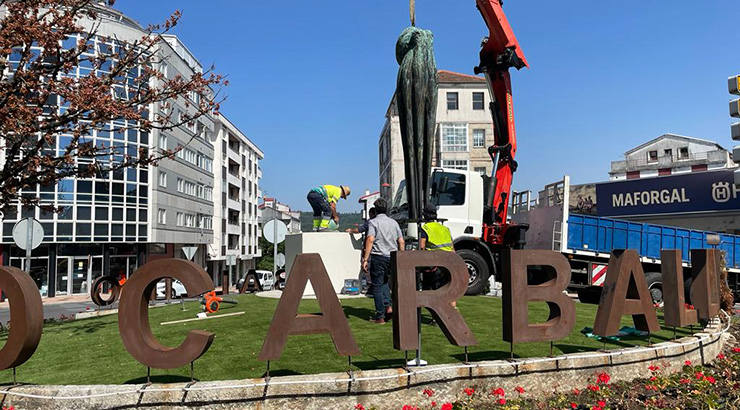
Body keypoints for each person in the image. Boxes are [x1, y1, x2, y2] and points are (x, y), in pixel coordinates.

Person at [363, 198, 404, 324]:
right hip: (392, 256)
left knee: (377, 286)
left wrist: (365, 259)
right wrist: (401, 257)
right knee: (385, 282)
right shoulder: (394, 223)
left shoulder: (373, 222)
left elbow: (370, 239)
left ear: (375, 210)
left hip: (378, 256)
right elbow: (401, 241)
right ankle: (388, 307)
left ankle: (380, 316)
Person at [419, 202, 456, 309]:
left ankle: (438, 314)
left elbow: (422, 247)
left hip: (434, 265)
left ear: (425, 215)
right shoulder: (445, 229)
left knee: (432, 290)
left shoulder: (425, 228)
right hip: (448, 263)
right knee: (446, 288)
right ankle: (453, 309)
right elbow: (452, 248)